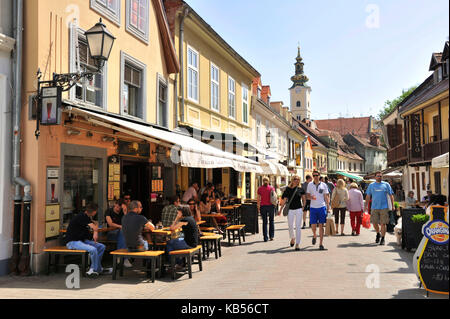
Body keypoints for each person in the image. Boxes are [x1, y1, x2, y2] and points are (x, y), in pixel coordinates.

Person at [65, 203, 112, 277]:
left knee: (101, 247)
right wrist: (95, 233)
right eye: (96, 211)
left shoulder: (86, 217)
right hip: (73, 242)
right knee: (93, 249)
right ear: (94, 212)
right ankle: (92, 270)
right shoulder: (81, 216)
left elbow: (90, 228)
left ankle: (98, 268)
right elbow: (95, 228)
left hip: (82, 241)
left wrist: (93, 234)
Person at [364, 171, 394, 246]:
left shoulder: (386, 184)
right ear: (375, 177)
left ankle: (383, 238)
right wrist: (366, 206)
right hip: (374, 207)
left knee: (383, 223)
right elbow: (368, 196)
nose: (379, 177)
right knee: (374, 223)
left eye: (381, 176)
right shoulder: (371, 185)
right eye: (378, 176)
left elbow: (391, 195)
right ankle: (378, 233)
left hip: (384, 207)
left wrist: (393, 205)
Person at [278, 175, 306, 251]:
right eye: (295, 179)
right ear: (292, 180)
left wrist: (303, 206)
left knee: (298, 227)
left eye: (298, 179)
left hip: (299, 209)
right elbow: (284, 200)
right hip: (290, 209)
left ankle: (297, 243)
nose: (296, 180)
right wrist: (280, 209)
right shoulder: (288, 189)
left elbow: (304, 199)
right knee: (290, 226)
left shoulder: (301, 189)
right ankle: (292, 238)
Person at [306, 171, 330, 250]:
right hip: (313, 207)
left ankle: (321, 244)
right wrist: (311, 198)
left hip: (321, 207)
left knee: (321, 225)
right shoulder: (310, 185)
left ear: (319, 176)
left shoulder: (324, 185)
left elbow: (326, 196)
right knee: (313, 225)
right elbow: (307, 196)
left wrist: (328, 207)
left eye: (317, 175)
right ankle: (314, 235)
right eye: (314, 175)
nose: (315, 176)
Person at [104, 199, 128, 264]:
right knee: (124, 234)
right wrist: (120, 226)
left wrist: (125, 212)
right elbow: (110, 223)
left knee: (123, 234)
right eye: (117, 206)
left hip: (121, 234)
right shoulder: (109, 211)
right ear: (115, 204)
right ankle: (124, 258)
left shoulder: (122, 212)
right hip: (111, 233)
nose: (118, 208)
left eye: (120, 207)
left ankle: (119, 256)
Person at [257, 176, 276, 242]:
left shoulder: (260, 189)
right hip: (271, 206)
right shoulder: (271, 188)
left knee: (264, 222)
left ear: (262, 181)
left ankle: (265, 238)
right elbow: (274, 197)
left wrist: (258, 206)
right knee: (271, 221)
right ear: (268, 181)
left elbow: (258, 199)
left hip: (263, 206)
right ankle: (272, 236)